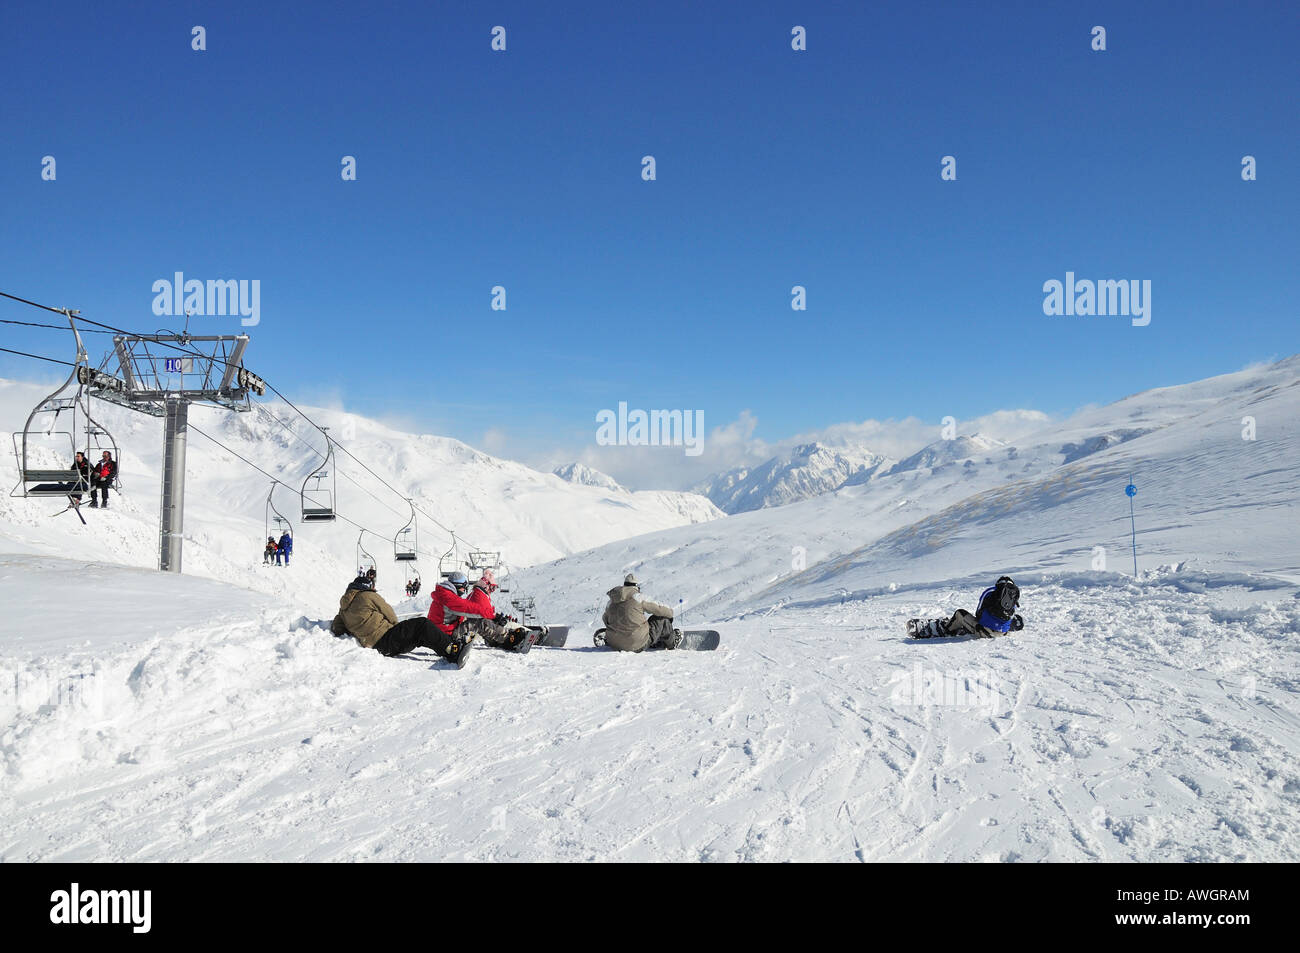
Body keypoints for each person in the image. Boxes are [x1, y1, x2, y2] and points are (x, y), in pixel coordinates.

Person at [331, 568, 470, 663]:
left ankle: (447, 647)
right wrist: (394, 627)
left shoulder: (343, 609)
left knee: (419, 635)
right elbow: (390, 613)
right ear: (366, 586)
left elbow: (337, 628)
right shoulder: (368, 596)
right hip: (386, 637)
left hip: (375, 644)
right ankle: (452, 651)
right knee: (422, 624)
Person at [428, 570, 534, 652]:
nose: (464, 591)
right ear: (458, 585)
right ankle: (507, 639)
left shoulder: (445, 595)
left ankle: (499, 638)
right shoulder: (448, 598)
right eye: (463, 588)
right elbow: (471, 609)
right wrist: (494, 616)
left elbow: (465, 609)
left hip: (443, 633)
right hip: (445, 637)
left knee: (476, 622)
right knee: (477, 622)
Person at [910, 576, 1024, 639]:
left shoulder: (991, 592)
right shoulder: (1013, 596)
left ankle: (946, 629)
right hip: (1002, 633)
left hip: (985, 632)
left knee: (960, 613)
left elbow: (979, 612)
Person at [602, 573, 681, 652]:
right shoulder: (638, 597)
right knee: (662, 619)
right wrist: (670, 615)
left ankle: (615, 638)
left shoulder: (611, 601)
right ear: (636, 586)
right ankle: (672, 642)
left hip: (615, 644)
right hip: (637, 645)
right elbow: (662, 610)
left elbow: (605, 619)